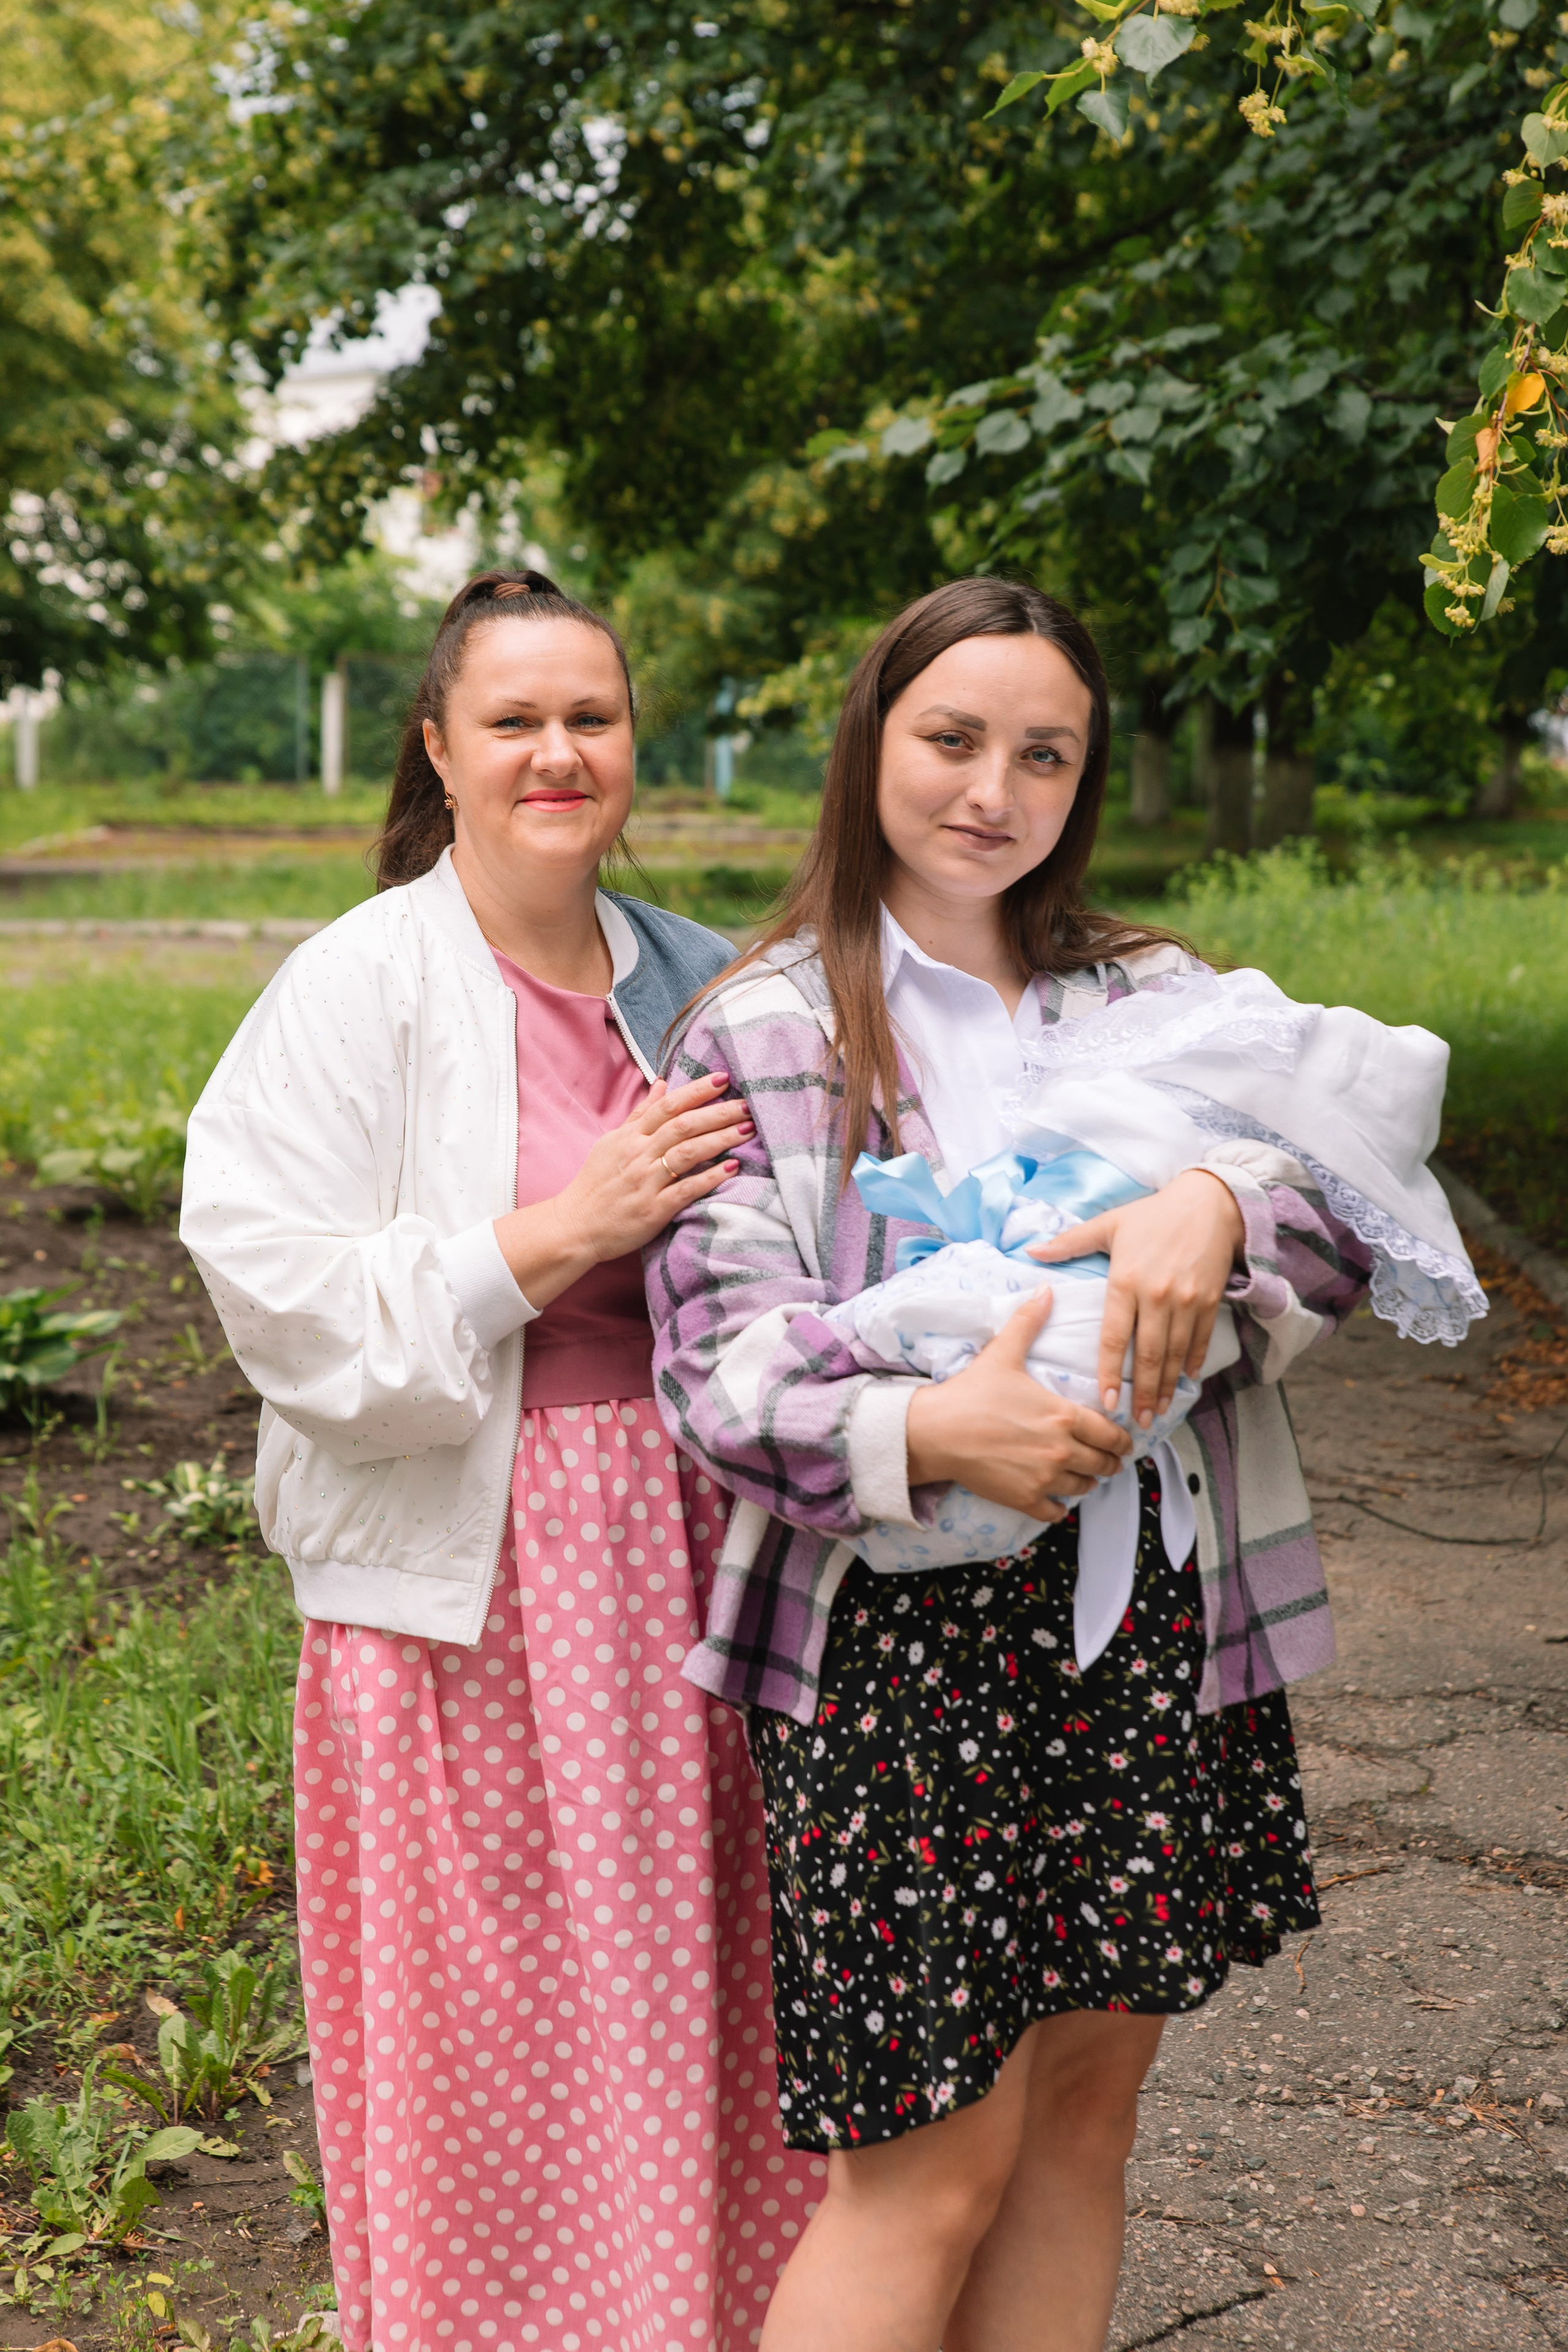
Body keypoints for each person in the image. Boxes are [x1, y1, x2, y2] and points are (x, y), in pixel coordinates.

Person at [646, 578, 1400, 2352]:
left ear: (1085, 778)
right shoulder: (760, 1026)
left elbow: (1355, 1217)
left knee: (1082, 2125)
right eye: (953, 739)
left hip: (1146, 1626)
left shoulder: (1158, 997)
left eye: (1044, 753)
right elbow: (716, 1365)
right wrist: (926, 1422)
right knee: (924, 2174)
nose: (995, 789)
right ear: (871, 744)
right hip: (900, 1658)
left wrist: (1218, 1201)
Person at [183, 570, 825, 2352]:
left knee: (712, 2012)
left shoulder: (703, 980)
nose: (560, 751)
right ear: (440, 750)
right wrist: (551, 1237)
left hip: (701, 1560)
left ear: (635, 745)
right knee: (502, 2043)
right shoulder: (355, 986)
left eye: (593, 718)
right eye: (516, 720)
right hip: (470, 1593)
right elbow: (280, 1301)